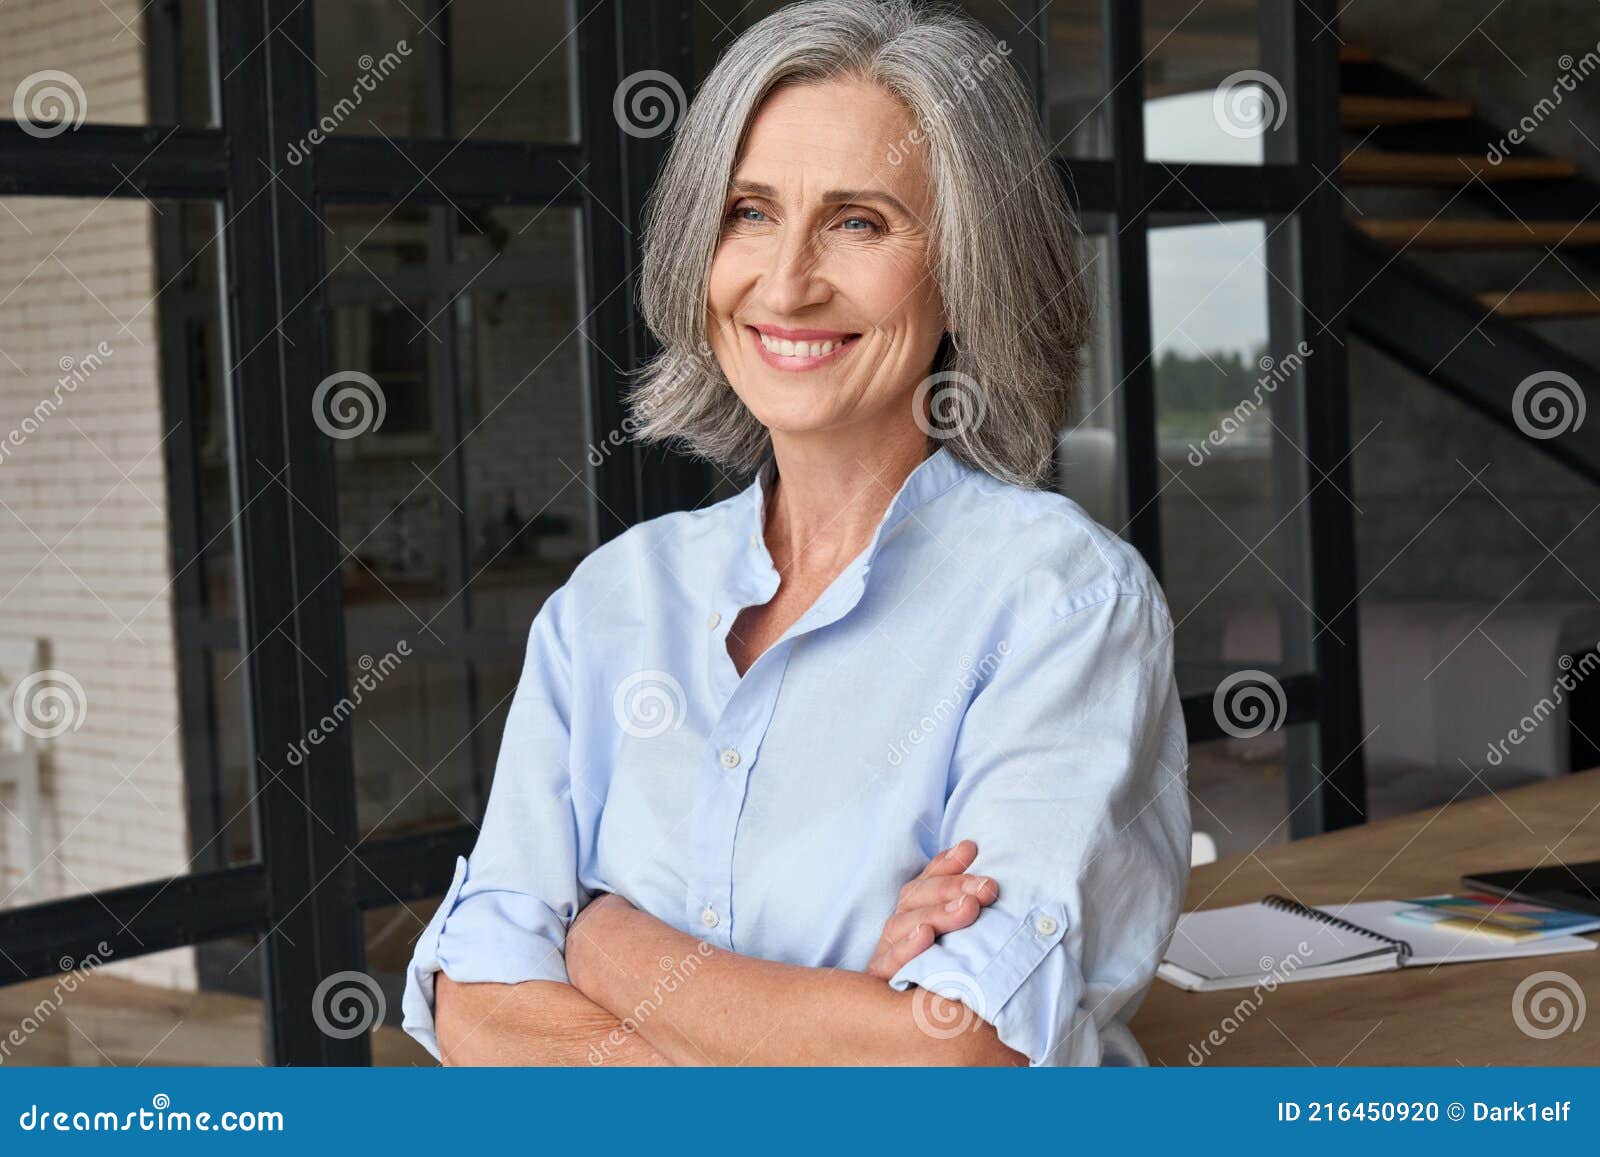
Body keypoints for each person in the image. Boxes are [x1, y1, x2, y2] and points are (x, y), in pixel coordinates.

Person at [402, 0, 1189, 1067]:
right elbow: (476, 1006)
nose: (785, 281)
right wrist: (825, 1023)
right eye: (748, 212)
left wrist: (607, 941)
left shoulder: (1062, 601)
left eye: (859, 221)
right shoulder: (610, 603)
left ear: (965, 266)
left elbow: (954, 1062)